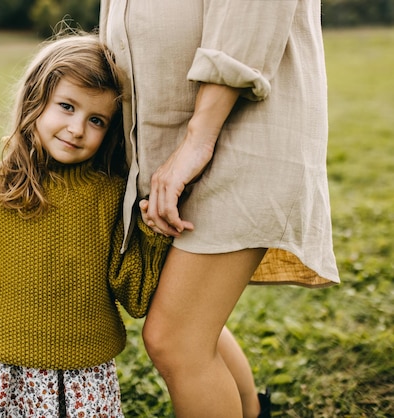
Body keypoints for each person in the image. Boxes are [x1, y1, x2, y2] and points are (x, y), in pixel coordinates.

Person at [0, 32, 172, 418]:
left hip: (83, 377)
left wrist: (153, 235)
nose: (77, 129)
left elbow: (135, 295)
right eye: (67, 107)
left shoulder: (112, 198)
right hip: (3, 369)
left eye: (96, 119)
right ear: (35, 102)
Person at [100, 1, 340, 417]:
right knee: (176, 314)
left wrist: (198, 138)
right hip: (172, 141)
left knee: (176, 339)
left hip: (237, 127)